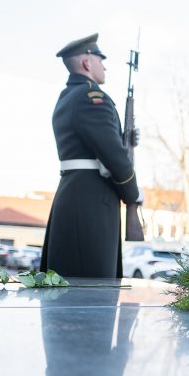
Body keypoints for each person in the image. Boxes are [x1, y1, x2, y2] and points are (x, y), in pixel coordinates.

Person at [40, 34, 141, 278]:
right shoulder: (91, 98)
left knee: (72, 289)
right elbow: (113, 155)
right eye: (100, 59)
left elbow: (99, 143)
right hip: (91, 203)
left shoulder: (69, 96)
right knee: (91, 293)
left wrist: (124, 140)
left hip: (76, 195)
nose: (104, 66)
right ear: (87, 63)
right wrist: (132, 196)